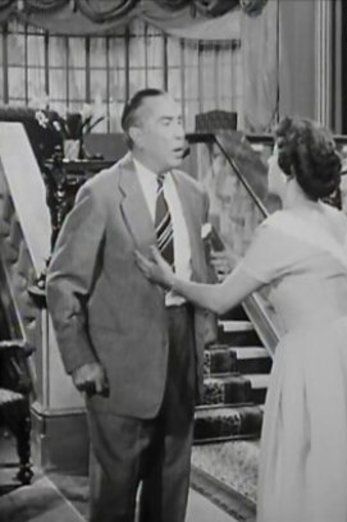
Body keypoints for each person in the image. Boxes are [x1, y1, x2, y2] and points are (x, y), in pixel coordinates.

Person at [136, 117, 347, 522]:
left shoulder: (278, 228)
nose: (267, 163)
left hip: (317, 356)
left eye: (273, 156)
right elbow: (311, 280)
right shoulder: (337, 219)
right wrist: (243, 265)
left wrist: (170, 279)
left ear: (288, 172)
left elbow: (220, 299)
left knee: (318, 461)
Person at [46, 88, 214, 522]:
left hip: (181, 360)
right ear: (136, 133)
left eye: (180, 121)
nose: (179, 133)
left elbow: (202, 271)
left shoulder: (194, 194)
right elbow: (63, 282)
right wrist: (80, 358)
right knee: (114, 498)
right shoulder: (101, 194)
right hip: (118, 370)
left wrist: (203, 335)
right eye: (166, 123)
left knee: (170, 492)